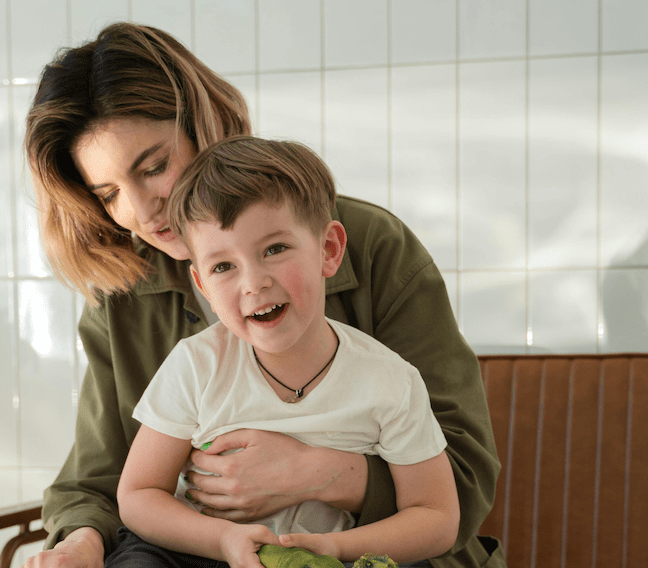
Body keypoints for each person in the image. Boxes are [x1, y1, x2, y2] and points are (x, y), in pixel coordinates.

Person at [21, 22, 503, 568]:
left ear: (205, 124)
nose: (141, 211)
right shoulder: (123, 294)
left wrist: (319, 474)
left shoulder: (374, 247)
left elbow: (462, 483)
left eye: (154, 166)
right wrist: (81, 541)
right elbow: (98, 478)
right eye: (108, 194)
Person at [110, 136, 460, 568]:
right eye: (223, 266)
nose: (253, 283)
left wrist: (338, 549)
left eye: (274, 249)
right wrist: (222, 540)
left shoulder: (390, 381)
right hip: (199, 549)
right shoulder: (197, 364)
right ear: (202, 284)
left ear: (328, 250)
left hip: (331, 556)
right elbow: (139, 495)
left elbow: (436, 517)